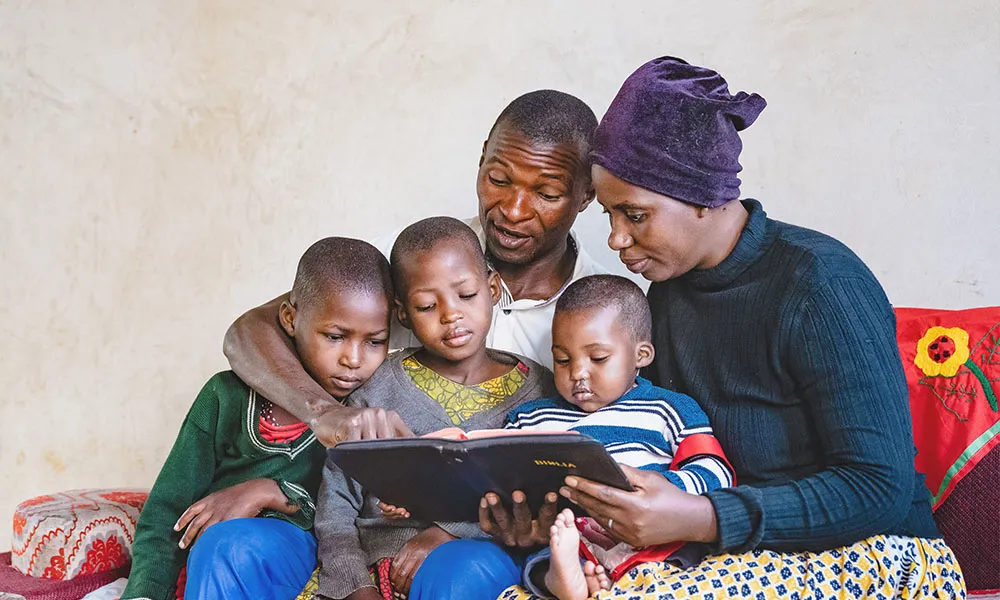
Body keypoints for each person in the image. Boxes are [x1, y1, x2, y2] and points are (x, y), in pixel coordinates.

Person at [494, 56, 965, 599]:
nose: (617, 240)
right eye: (609, 216)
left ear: (701, 198)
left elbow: (878, 488)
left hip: (882, 556)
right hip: (742, 560)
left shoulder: (820, 283)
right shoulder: (667, 296)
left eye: (635, 215)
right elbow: (662, 438)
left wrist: (703, 517)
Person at [222, 90, 605, 447]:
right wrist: (326, 413)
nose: (513, 209)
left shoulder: (605, 305)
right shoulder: (412, 258)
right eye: (498, 179)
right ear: (483, 156)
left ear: (587, 193)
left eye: (546, 194)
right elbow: (249, 334)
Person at [121, 238, 395, 600]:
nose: (353, 359)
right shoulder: (224, 396)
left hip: (309, 562)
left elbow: (358, 515)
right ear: (290, 319)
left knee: (231, 546)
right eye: (334, 337)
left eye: (375, 342)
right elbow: (167, 512)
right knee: (223, 545)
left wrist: (271, 491)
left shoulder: (369, 410)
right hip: (215, 560)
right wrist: (145, 592)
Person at [312, 217, 557, 600]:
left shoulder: (540, 393)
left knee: (461, 572)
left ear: (492, 289)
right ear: (403, 314)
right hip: (377, 572)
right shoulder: (378, 387)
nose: (450, 315)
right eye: (427, 305)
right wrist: (354, 584)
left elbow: (537, 499)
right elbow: (337, 503)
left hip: (476, 567)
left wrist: (449, 533)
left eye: (467, 295)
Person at [501, 274, 735, 600]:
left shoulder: (668, 408)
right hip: (575, 533)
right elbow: (501, 469)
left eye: (598, 358)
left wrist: (669, 491)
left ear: (641, 355)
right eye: (563, 359)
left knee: (683, 556)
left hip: (652, 533)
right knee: (543, 557)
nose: (578, 373)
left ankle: (602, 577)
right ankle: (563, 577)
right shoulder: (533, 417)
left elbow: (716, 470)